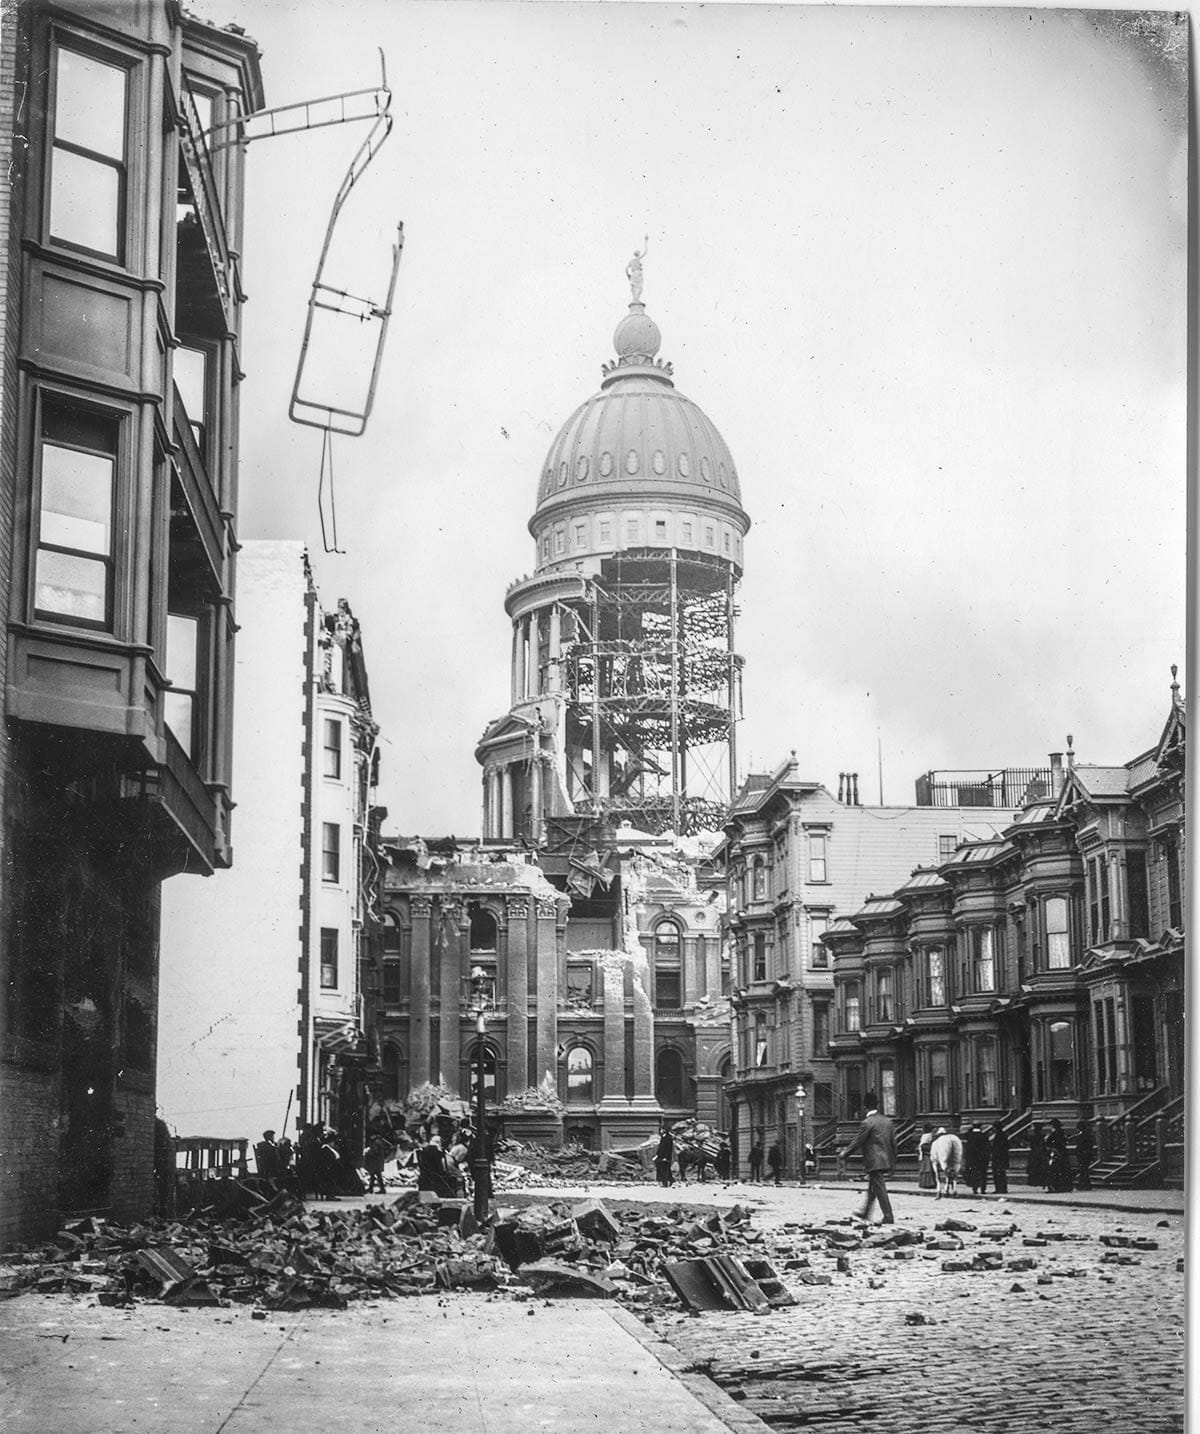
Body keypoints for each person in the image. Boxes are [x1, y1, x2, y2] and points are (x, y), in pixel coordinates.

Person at [840, 1092, 897, 1225]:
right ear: (877, 1105)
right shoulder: (888, 1121)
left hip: (874, 1161)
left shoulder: (867, 1123)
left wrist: (844, 1153)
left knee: (880, 1188)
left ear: (865, 1107)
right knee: (873, 1188)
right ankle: (865, 1212)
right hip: (886, 1159)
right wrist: (893, 1161)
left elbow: (858, 1141)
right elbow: (894, 1143)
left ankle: (888, 1216)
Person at [1045, 1118, 1074, 1193]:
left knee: (1055, 1170)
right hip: (1062, 1154)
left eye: (1051, 1126)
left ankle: (1056, 1187)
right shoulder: (1061, 1133)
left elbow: (1051, 1143)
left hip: (1056, 1154)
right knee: (1063, 1170)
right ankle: (1064, 1186)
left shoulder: (1055, 1134)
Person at [963, 1124, 989, 1195]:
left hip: (972, 1159)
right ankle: (983, 1189)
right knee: (983, 1174)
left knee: (974, 1174)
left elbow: (966, 1135)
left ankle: (975, 1189)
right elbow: (987, 1147)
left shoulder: (970, 1136)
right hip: (982, 1159)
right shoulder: (984, 1136)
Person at [1074, 1120, 1095, 1191]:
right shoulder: (1086, 1134)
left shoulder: (1084, 1135)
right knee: (1084, 1170)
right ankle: (1085, 1185)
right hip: (1084, 1155)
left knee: (1083, 1170)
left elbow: (1083, 1146)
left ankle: (1084, 1185)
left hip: (1083, 1155)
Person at [990, 1119, 1010, 1194]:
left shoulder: (999, 1136)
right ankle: (1001, 1189)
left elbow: (1000, 1147)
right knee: (1000, 1174)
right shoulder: (1002, 1135)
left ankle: (1000, 1189)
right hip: (1001, 1158)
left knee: (999, 1174)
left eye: (994, 1127)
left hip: (999, 1158)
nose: (993, 1129)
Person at [1026, 1123, 1049, 1188]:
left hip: (1034, 1154)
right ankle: (1041, 1181)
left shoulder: (1032, 1137)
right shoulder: (1042, 1137)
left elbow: (1031, 1146)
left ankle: (1034, 1182)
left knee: (1034, 1168)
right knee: (1040, 1168)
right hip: (1040, 1154)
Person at [917, 1124, 936, 1191]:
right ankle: (928, 1183)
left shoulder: (926, 1135)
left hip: (926, 1153)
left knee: (926, 1168)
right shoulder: (928, 1135)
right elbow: (923, 1145)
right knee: (928, 1168)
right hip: (926, 1154)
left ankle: (925, 1183)